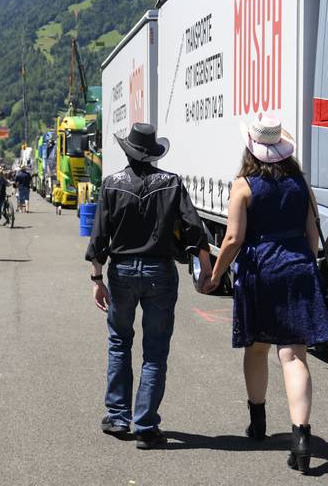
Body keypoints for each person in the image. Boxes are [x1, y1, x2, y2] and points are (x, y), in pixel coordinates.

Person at [204, 113, 328, 474]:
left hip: (260, 270)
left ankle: (258, 423)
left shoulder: (243, 186)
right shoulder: (300, 184)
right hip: (298, 269)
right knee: (294, 356)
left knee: (258, 347)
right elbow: (312, 232)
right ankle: (302, 437)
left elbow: (233, 239)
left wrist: (216, 274)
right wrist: (304, 263)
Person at [85, 123, 211, 450]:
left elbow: (98, 237)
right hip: (159, 271)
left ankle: (116, 416)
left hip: (122, 271)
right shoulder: (170, 182)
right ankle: (145, 424)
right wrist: (205, 266)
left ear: (128, 151)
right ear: (153, 154)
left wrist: (97, 279)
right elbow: (194, 229)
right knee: (154, 352)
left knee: (119, 342)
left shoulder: (112, 184)